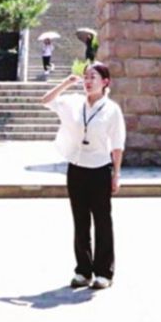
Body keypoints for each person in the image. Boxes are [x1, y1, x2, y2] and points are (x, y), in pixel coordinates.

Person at [40, 63, 125, 290]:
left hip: (100, 169)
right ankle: (83, 271)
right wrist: (66, 83)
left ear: (105, 82)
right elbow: (46, 101)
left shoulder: (111, 110)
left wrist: (116, 174)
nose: (88, 81)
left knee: (102, 222)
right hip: (76, 168)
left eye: (93, 77)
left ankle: (104, 273)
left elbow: (117, 144)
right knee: (80, 222)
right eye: (86, 77)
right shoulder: (75, 103)